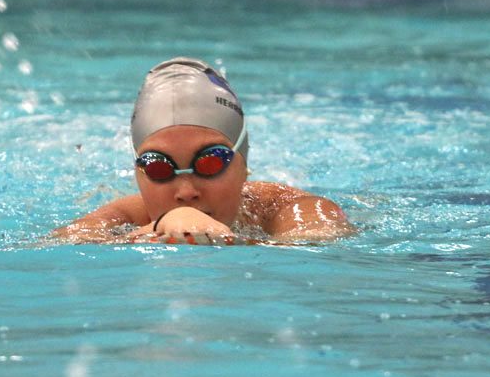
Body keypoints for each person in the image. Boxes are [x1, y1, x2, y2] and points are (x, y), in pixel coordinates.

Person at [53, 57, 354, 245]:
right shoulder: (125, 215)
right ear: (138, 174)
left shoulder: (295, 208)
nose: (185, 192)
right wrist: (161, 226)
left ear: (243, 163)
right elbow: (62, 243)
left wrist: (217, 238)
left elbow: (320, 242)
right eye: (159, 167)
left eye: (210, 162)